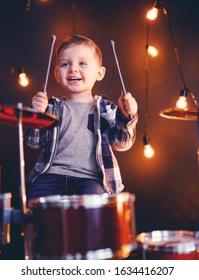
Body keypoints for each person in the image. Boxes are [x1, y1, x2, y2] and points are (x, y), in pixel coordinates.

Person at [24, 35, 138, 200]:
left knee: (94, 209)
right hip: (52, 175)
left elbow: (122, 144)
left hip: (91, 179)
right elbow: (34, 142)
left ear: (99, 73)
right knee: (33, 202)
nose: (73, 69)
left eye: (82, 63)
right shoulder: (50, 108)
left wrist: (126, 116)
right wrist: (36, 114)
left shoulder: (107, 109)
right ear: (56, 74)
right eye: (65, 64)